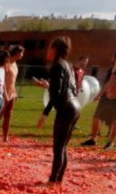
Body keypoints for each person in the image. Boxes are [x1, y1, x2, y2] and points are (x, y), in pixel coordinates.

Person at [35, 36, 81, 185]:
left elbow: (58, 94)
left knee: (58, 147)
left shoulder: (57, 66)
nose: (47, 51)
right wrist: (49, 86)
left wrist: (45, 113)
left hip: (65, 108)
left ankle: (52, 181)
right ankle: (58, 180)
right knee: (63, 146)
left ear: (54, 49)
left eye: (49, 48)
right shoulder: (68, 65)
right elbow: (69, 89)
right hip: (75, 106)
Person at [0, 46, 24, 143]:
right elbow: (1, 79)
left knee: (9, 115)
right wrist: (4, 92)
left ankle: (5, 137)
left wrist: (15, 93)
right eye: (21, 53)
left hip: (12, 93)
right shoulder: (6, 63)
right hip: (3, 93)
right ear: (17, 53)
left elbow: (12, 81)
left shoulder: (15, 64)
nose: (22, 55)